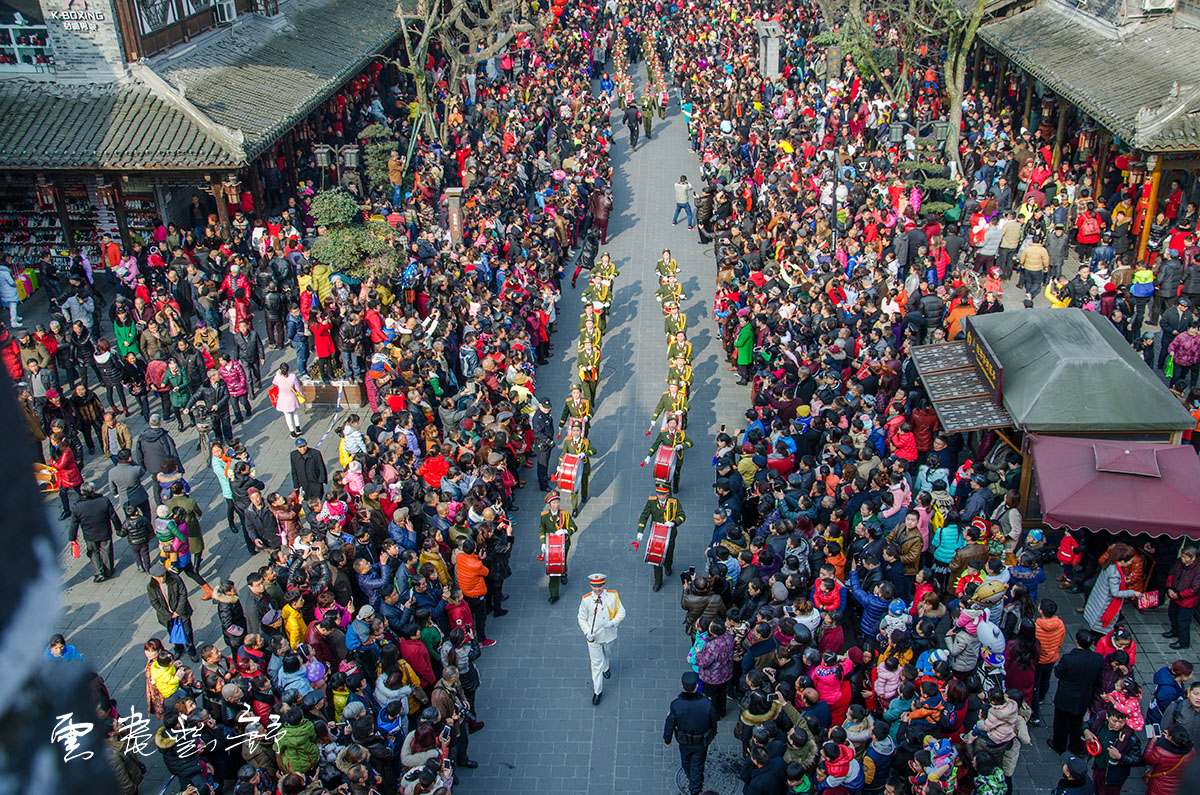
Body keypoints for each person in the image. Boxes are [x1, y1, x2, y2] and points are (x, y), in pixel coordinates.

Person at [663, 670, 719, 795]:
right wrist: (713, 734)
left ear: (683, 687)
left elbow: (670, 723)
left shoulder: (676, 705)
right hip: (701, 741)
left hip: (684, 742)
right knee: (697, 764)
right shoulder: (706, 703)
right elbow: (713, 720)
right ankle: (695, 783)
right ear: (697, 686)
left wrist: (667, 739)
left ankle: (693, 783)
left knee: (686, 761)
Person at [1052, 629, 1105, 754]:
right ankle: (1075, 747)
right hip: (1083, 696)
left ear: (1077, 641)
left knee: (1060, 723)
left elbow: (1058, 673)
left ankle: (1059, 746)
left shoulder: (1068, 658)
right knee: (1077, 722)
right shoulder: (1097, 658)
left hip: (1065, 696)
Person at [578, 573, 624, 705]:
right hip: (594, 638)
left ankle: (606, 667)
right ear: (591, 586)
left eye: (600, 586)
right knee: (596, 664)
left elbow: (621, 612)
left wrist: (613, 622)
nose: (597, 589)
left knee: (607, 653)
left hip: (609, 635)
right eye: (595, 586)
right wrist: (587, 632)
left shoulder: (613, 596)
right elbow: (581, 618)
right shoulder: (586, 600)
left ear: (604, 585)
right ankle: (597, 691)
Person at [635, 484, 687, 592]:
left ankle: (668, 565)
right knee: (655, 557)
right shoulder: (652, 502)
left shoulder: (674, 502)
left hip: (669, 533)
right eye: (659, 494)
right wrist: (640, 531)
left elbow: (682, 516)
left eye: (663, 494)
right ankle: (658, 581)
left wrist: (674, 522)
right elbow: (644, 515)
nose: (661, 497)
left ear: (667, 494)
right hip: (656, 534)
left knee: (669, 552)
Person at [68, 481, 122, 583]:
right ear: (93, 490)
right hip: (104, 531)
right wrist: (119, 528)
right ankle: (108, 571)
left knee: (93, 552)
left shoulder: (77, 506)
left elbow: (74, 524)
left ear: (82, 492)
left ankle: (98, 572)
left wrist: (72, 538)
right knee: (106, 551)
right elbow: (113, 516)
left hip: (90, 535)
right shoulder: (104, 501)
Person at [147, 561, 197, 662]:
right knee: (173, 633)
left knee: (187, 632)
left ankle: (191, 651)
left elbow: (183, 594)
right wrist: (168, 614)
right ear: (154, 577)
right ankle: (178, 649)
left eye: (163, 575)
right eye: (159, 577)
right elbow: (155, 603)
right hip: (167, 616)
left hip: (182, 612)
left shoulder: (175, 579)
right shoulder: (151, 587)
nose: (162, 578)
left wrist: (178, 611)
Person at [538, 493, 578, 604]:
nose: (556, 505)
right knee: (553, 569)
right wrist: (543, 543)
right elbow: (541, 530)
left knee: (563, 561)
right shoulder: (544, 516)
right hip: (551, 546)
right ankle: (554, 594)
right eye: (554, 503)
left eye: (557, 502)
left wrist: (565, 531)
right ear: (549, 504)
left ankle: (564, 573)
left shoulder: (565, 515)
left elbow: (574, 527)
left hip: (563, 544)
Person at [1165, 547, 1200, 649]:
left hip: (1187, 600)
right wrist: (1170, 588)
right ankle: (1174, 631)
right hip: (1175, 595)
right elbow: (1171, 574)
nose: (1182, 559)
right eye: (1182, 556)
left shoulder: (1198, 570)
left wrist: (1179, 594)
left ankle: (1184, 641)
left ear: (1193, 558)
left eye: (1185, 557)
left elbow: (1194, 589)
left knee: (1183, 621)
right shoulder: (1179, 562)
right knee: (1172, 614)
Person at [271, 362, 304, 438]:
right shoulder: (292, 377)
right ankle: (298, 428)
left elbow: (274, 382)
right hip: (292, 398)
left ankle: (292, 432)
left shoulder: (278, 378)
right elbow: (297, 388)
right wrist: (301, 394)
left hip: (283, 399)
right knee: (295, 413)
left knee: (288, 416)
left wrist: (277, 373)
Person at [289, 436, 327, 501]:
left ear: (306, 444)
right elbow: (294, 471)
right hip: (304, 484)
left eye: (304, 446)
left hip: (315, 483)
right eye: (300, 447)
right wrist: (296, 486)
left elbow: (321, 467)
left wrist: (321, 482)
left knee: (317, 500)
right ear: (296, 448)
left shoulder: (315, 454)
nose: (302, 449)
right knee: (307, 500)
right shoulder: (293, 455)